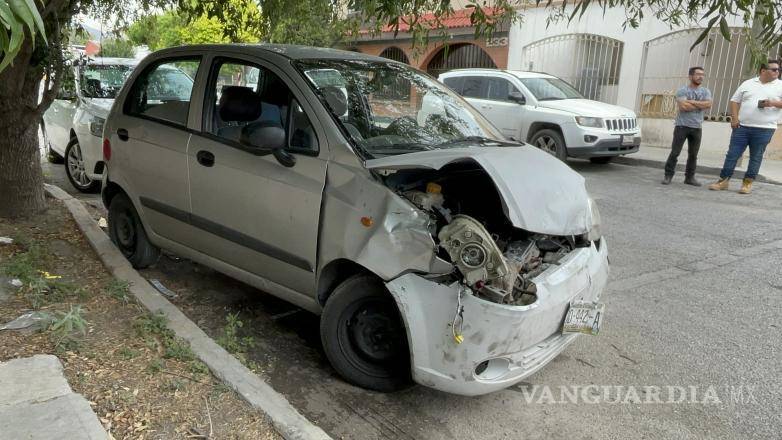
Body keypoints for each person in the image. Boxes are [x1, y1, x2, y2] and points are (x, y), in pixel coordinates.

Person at [709, 60, 782, 194]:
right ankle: (723, 181)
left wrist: (772, 103)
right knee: (732, 154)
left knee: (756, 156)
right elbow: (735, 101)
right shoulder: (748, 83)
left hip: (765, 129)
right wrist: (734, 119)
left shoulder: (780, 85)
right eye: (774, 69)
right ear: (763, 71)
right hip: (742, 127)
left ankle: (747, 183)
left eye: (778, 69)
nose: (777, 71)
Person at [662, 67, 712, 186]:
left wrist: (692, 102)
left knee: (693, 154)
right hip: (682, 126)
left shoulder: (706, 91)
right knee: (675, 152)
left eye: (702, 75)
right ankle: (668, 176)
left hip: (697, 127)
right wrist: (701, 105)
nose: (701, 77)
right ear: (690, 76)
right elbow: (683, 107)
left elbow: (709, 104)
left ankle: (689, 178)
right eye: (698, 74)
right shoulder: (682, 90)